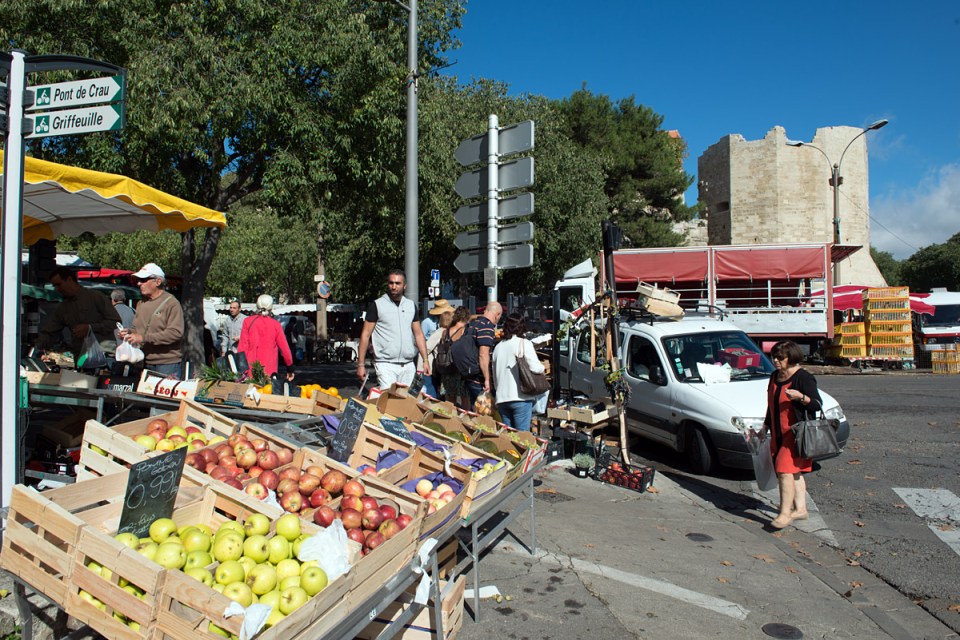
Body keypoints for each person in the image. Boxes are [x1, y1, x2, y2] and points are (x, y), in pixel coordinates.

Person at [764, 340, 822, 529]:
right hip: (778, 433)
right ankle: (801, 510)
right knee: (793, 473)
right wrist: (765, 426)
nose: (775, 361)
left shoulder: (803, 378)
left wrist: (801, 397)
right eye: (774, 357)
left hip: (795, 434)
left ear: (792, 358)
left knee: (784, 471)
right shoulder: (775, 376)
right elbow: (771, 404)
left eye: (780, 358)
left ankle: (785, 513)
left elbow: (816, 404)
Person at [356, 270, 429, 389]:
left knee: (407, 403)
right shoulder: (377, 305)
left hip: (408, 364)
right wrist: (361, 364)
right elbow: (365, 335)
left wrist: (425, 360)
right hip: (385, 364)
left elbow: (419, 335)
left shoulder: (411, 305)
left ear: (404, 286)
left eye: (398, 283)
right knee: (390, 402)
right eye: (391, 283)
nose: (394, 286)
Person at [37, 267, 121, 369]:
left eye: (59, 284)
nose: (57, 289)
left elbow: (115, 322)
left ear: (69, 280)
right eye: (55, 286)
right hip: (81, 360)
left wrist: (90, 328)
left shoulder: (95, 297)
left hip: (104, 357)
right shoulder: (63, 307)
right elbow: (50, 331)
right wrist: (36, 345)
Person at [119, 263, 184, 379]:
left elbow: (175, 333)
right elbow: (136, 330)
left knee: (162, 398)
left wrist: (143, 338)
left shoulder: (172, 303)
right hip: (144, 362)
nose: (139, 283)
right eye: (138, 280)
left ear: (158, 282)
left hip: (167, 364)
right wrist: (128, 334)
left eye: (143, 280)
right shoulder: (141, 304)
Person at [492, 313, 545, 431]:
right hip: (520, 397)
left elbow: (495, 375)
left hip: (502, 398)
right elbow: (535, 367)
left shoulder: (498, 347)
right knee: (522, 436)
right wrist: (543, 368)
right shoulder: (524, 343)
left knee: (509, 438)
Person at [237, 295, 294, 380]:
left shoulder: (248, 322)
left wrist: (240, 369)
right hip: (269, 372)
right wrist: (290, 368)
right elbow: (285, 349)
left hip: (250, 370)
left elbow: (242, 347)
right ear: (271, 307)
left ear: (257, 305)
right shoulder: (276, 325)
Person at [456, 301, 502, 408]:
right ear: (497, 314)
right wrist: (487, 379)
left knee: (474, 409)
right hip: (478, 378)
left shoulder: (472, 324)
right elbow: (483, 354)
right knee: (484, 411)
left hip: (468, 374)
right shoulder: (486, 327)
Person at [421, 299, 454, 398]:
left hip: (437, 364)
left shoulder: (445, 330)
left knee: (436, 388)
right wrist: (424, 361)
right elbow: (425, 345)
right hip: (430, 363)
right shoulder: (429, 323)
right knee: (430, 390)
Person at [440, 306, 471, 408]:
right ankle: (465, 421)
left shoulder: (446, 332)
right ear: (466, 318)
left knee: (451, 400)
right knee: (465, 398)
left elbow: (444, 347)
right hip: (460, 370)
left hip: (448, 369)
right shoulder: (464, 331)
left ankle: (451, 420)